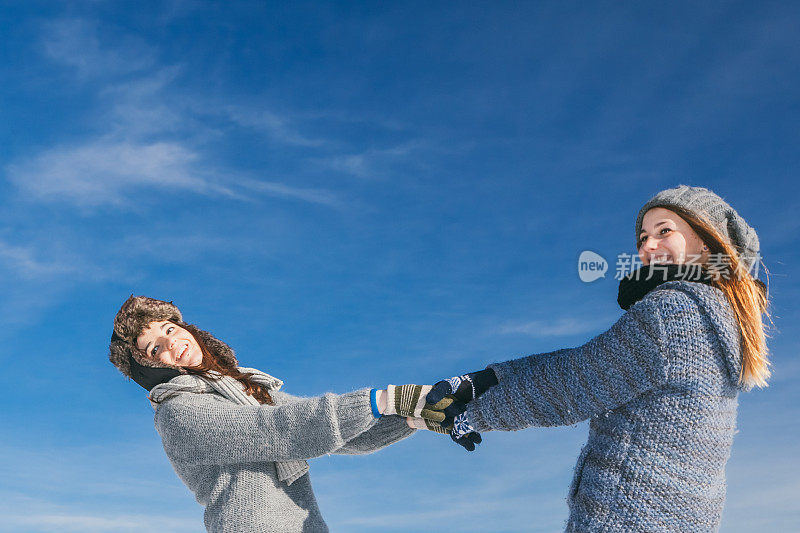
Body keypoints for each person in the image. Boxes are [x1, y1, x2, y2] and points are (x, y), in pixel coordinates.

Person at [423, 185, 771, 532]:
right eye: (642, 238)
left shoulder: (673, 312)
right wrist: (484, 380)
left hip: (629, 519)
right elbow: (588, 364)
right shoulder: (721, 319)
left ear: (706, 241)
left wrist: (471, 414)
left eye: (665, 231)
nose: (648, 246)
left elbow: (573, 385)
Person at [107, 296, 452, 533]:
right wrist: (384, 399)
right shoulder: (179, 413)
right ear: (152, 368)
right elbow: (279, 431)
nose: (170, 342)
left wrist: (412, 418)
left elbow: (345, 438)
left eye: (169, 329)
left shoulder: (249, 391)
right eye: (154, 348)